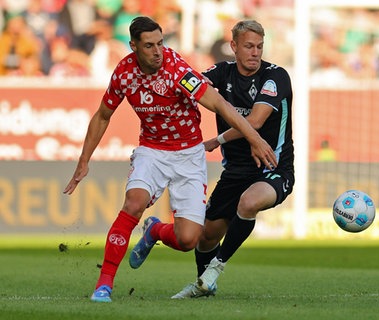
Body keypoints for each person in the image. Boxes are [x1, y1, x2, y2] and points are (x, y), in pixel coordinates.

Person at [63, 16, 277, 303]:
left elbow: (219, 104)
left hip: (189, 155)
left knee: (188, 240)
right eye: (149, 45)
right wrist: (84, 160)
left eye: (160, 43)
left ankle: (155, 230)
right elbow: (103, 115)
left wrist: (255, 138)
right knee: (134, 203)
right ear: (134, 46)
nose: (157, 51)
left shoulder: (177, 70)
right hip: (151, 151)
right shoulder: (124, 73)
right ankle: (104, 285)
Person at [129, 19, 295, 299]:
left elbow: (254, 122)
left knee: (250, 202)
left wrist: (215, 141)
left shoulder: (275, 76)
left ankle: (215, 270)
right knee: (202, 237)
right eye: (249, 46)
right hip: (234, 172)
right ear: (233, 47)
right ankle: (161, 237)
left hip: (273, 167)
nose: (255, 52)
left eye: (259, 47)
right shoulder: (221, 73)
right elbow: (189, 88)